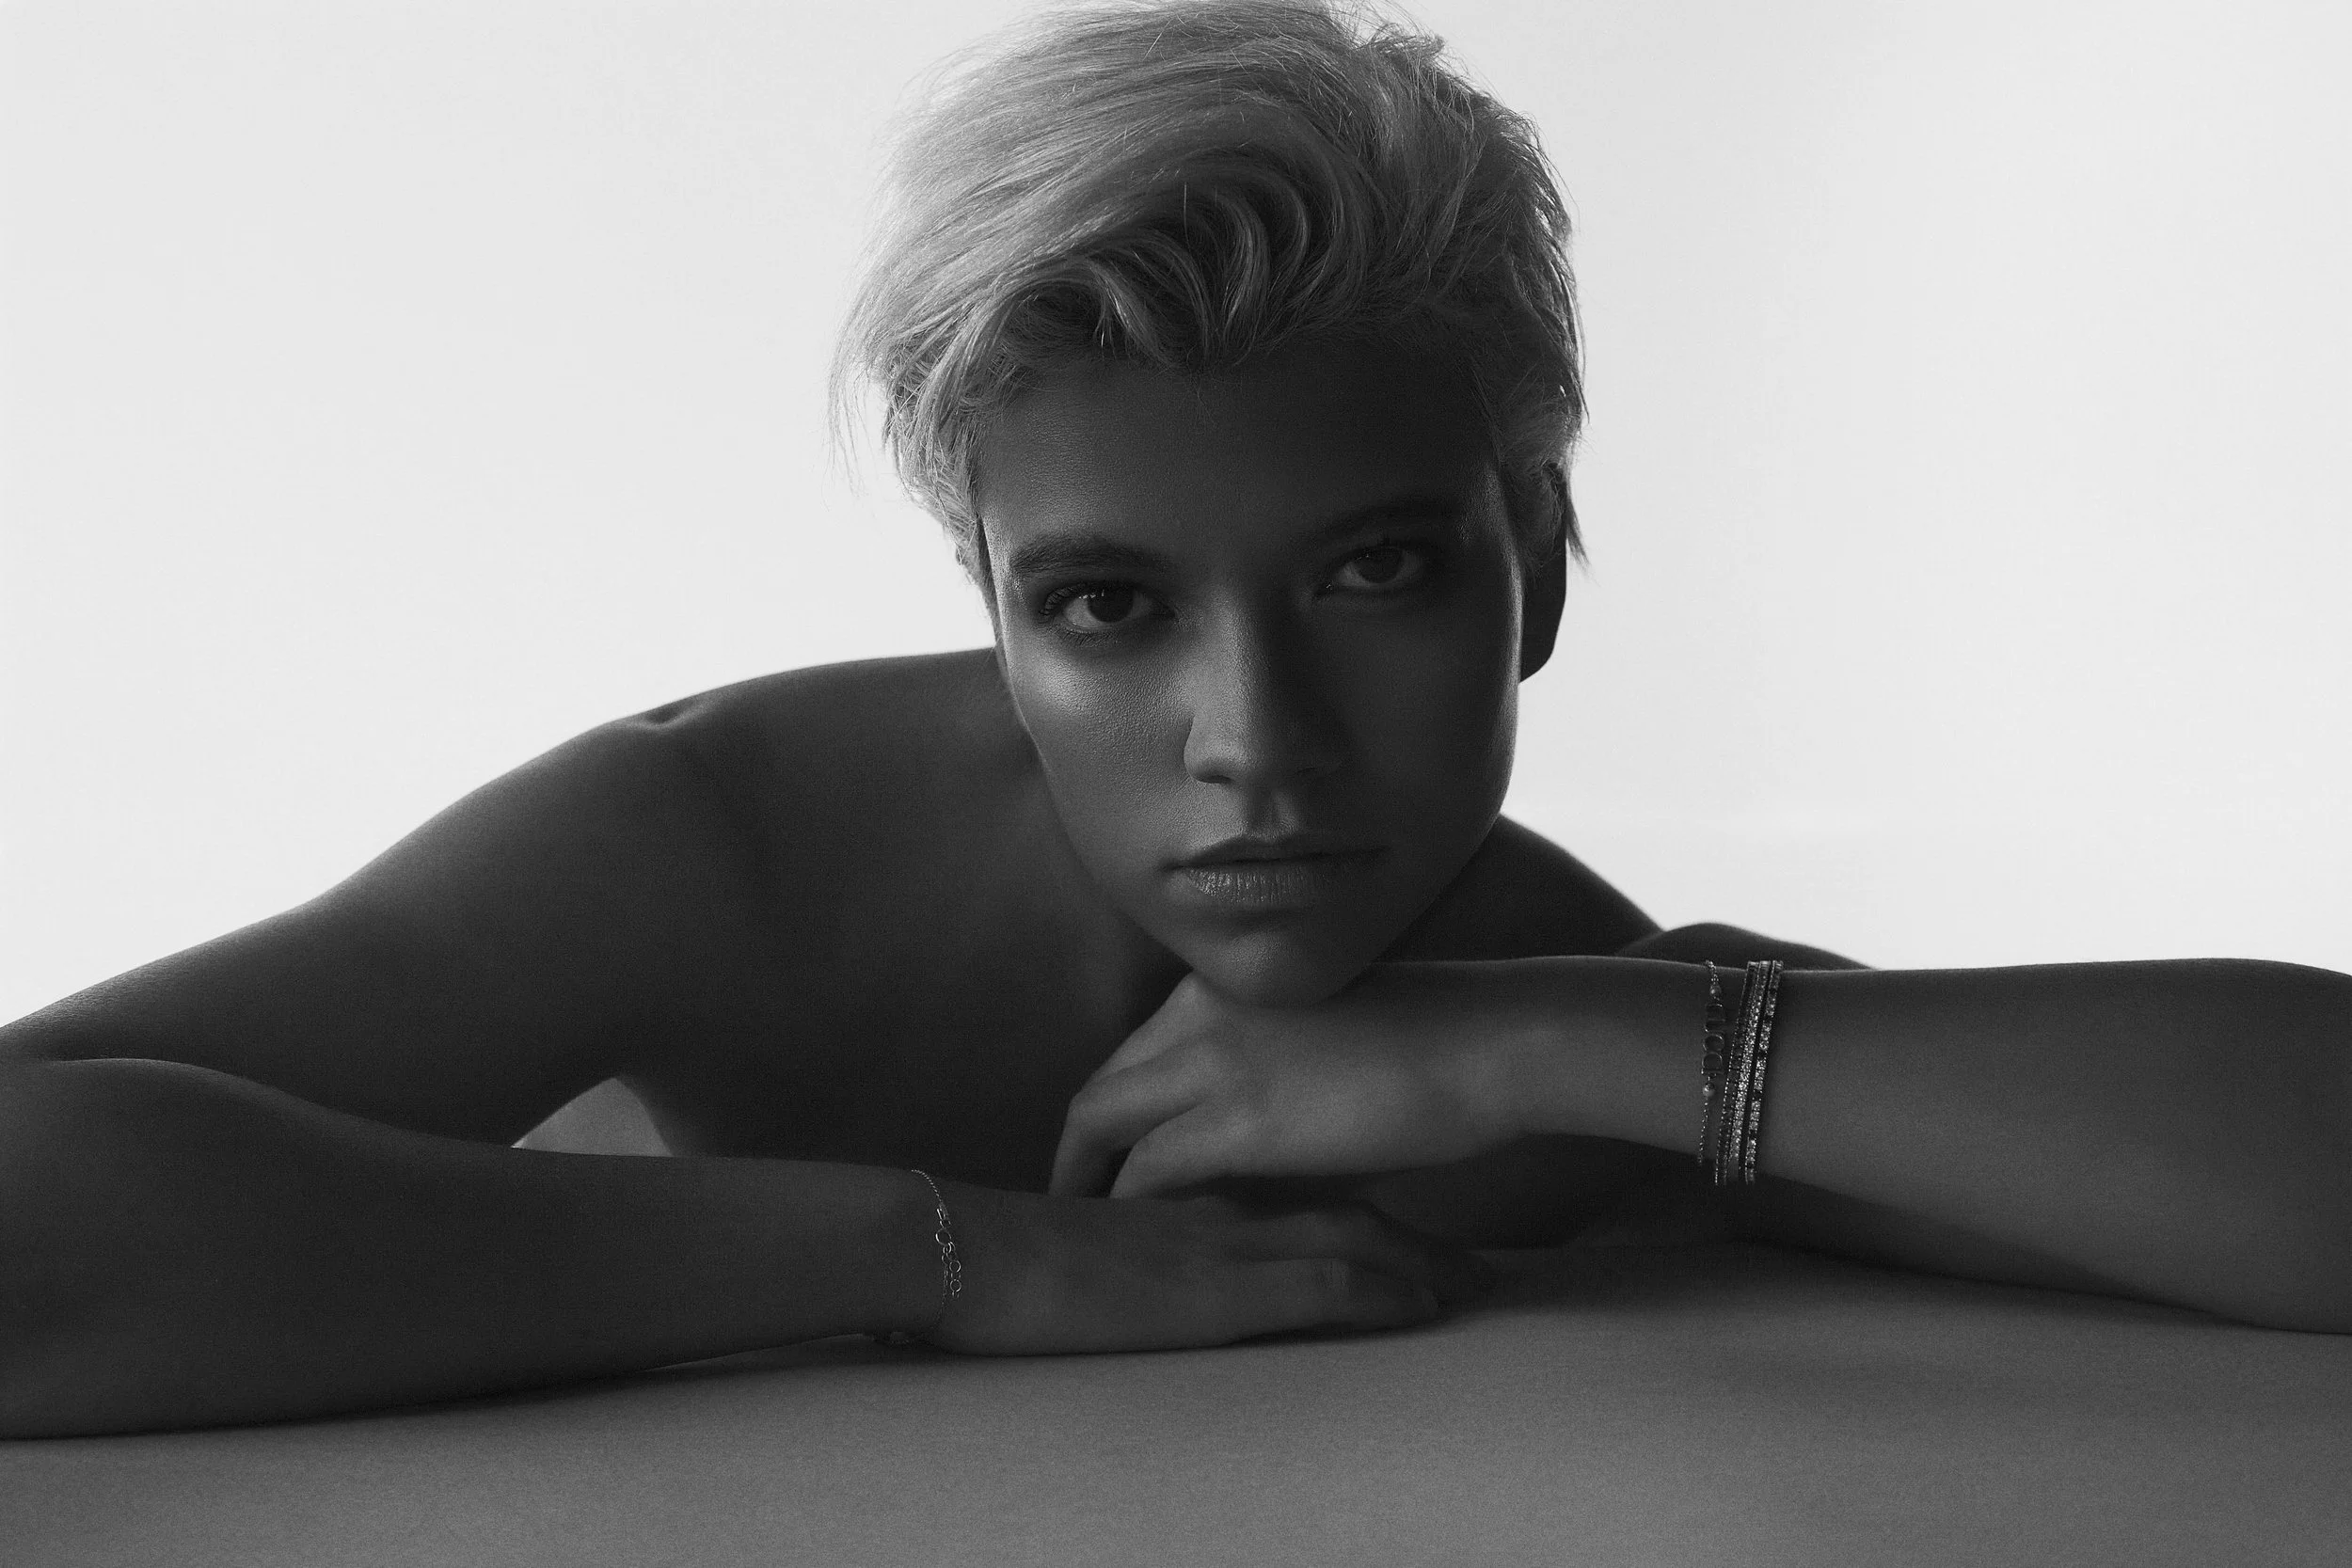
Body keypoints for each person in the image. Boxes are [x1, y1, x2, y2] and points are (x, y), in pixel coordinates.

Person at [1, 0, 2344, 1440]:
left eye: (1375, 569)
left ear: (1538, 558)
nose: (1255, 739)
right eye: (1108, 606)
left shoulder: (1564, 1001)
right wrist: (941, 1254)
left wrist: (1569, 1038)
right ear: (990, 611)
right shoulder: (710, 848)